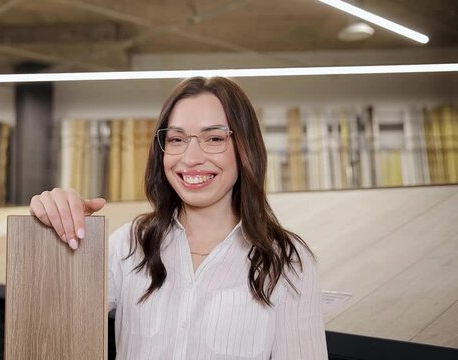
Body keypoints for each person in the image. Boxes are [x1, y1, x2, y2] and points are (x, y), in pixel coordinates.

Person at [29, 76, 327, 359]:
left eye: (213, 138)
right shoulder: (131, 245)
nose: (191, 157)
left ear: (245, 148)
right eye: (176, 139)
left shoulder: (287, 262)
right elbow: (53, 325)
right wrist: (54, 230)